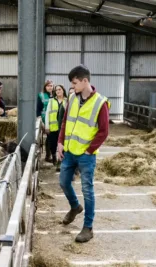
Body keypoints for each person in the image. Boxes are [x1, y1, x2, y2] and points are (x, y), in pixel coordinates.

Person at [57, 65, 109, 243]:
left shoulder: (100, 103)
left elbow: (104, 132)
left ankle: (88, 228)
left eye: (75, 83)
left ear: (85, 81)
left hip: (86, 154)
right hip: (70, 151)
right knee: (63, 182)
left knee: (87, 190)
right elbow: (65, 122)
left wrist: (89, 149)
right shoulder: (72, 97)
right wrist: (60, 143)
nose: (72, 86)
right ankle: (74, 207)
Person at [45, 85, 67, 172]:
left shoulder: (67, 101)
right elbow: (47, 114)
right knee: (53, 144)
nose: (58, 91)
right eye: (56, 90)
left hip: (63, 128)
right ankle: (54, 155)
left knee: (62, 145)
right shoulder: (51, 101)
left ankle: (59, 161)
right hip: (53, 127)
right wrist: (47, 126)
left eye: (59, 89)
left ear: (63, 90)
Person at [37, 80, 54, 162]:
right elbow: (38, 110)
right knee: (49, 137)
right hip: (45, 120)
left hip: (54, 120)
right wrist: (42, 122)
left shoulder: (55, 95)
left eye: (51, 85)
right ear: (45, 87)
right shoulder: (41, 95)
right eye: (48, 86)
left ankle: (50, 155)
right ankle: (48, 156)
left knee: (52, 138)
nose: (50, 87)